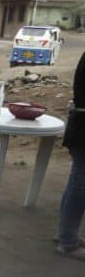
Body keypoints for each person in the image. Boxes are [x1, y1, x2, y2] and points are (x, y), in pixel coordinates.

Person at [56, 50, 85, 260]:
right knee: (80, 186)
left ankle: (66, 234)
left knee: (76, 183)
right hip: (83, 130)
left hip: (80, 128)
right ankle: (68, 242)